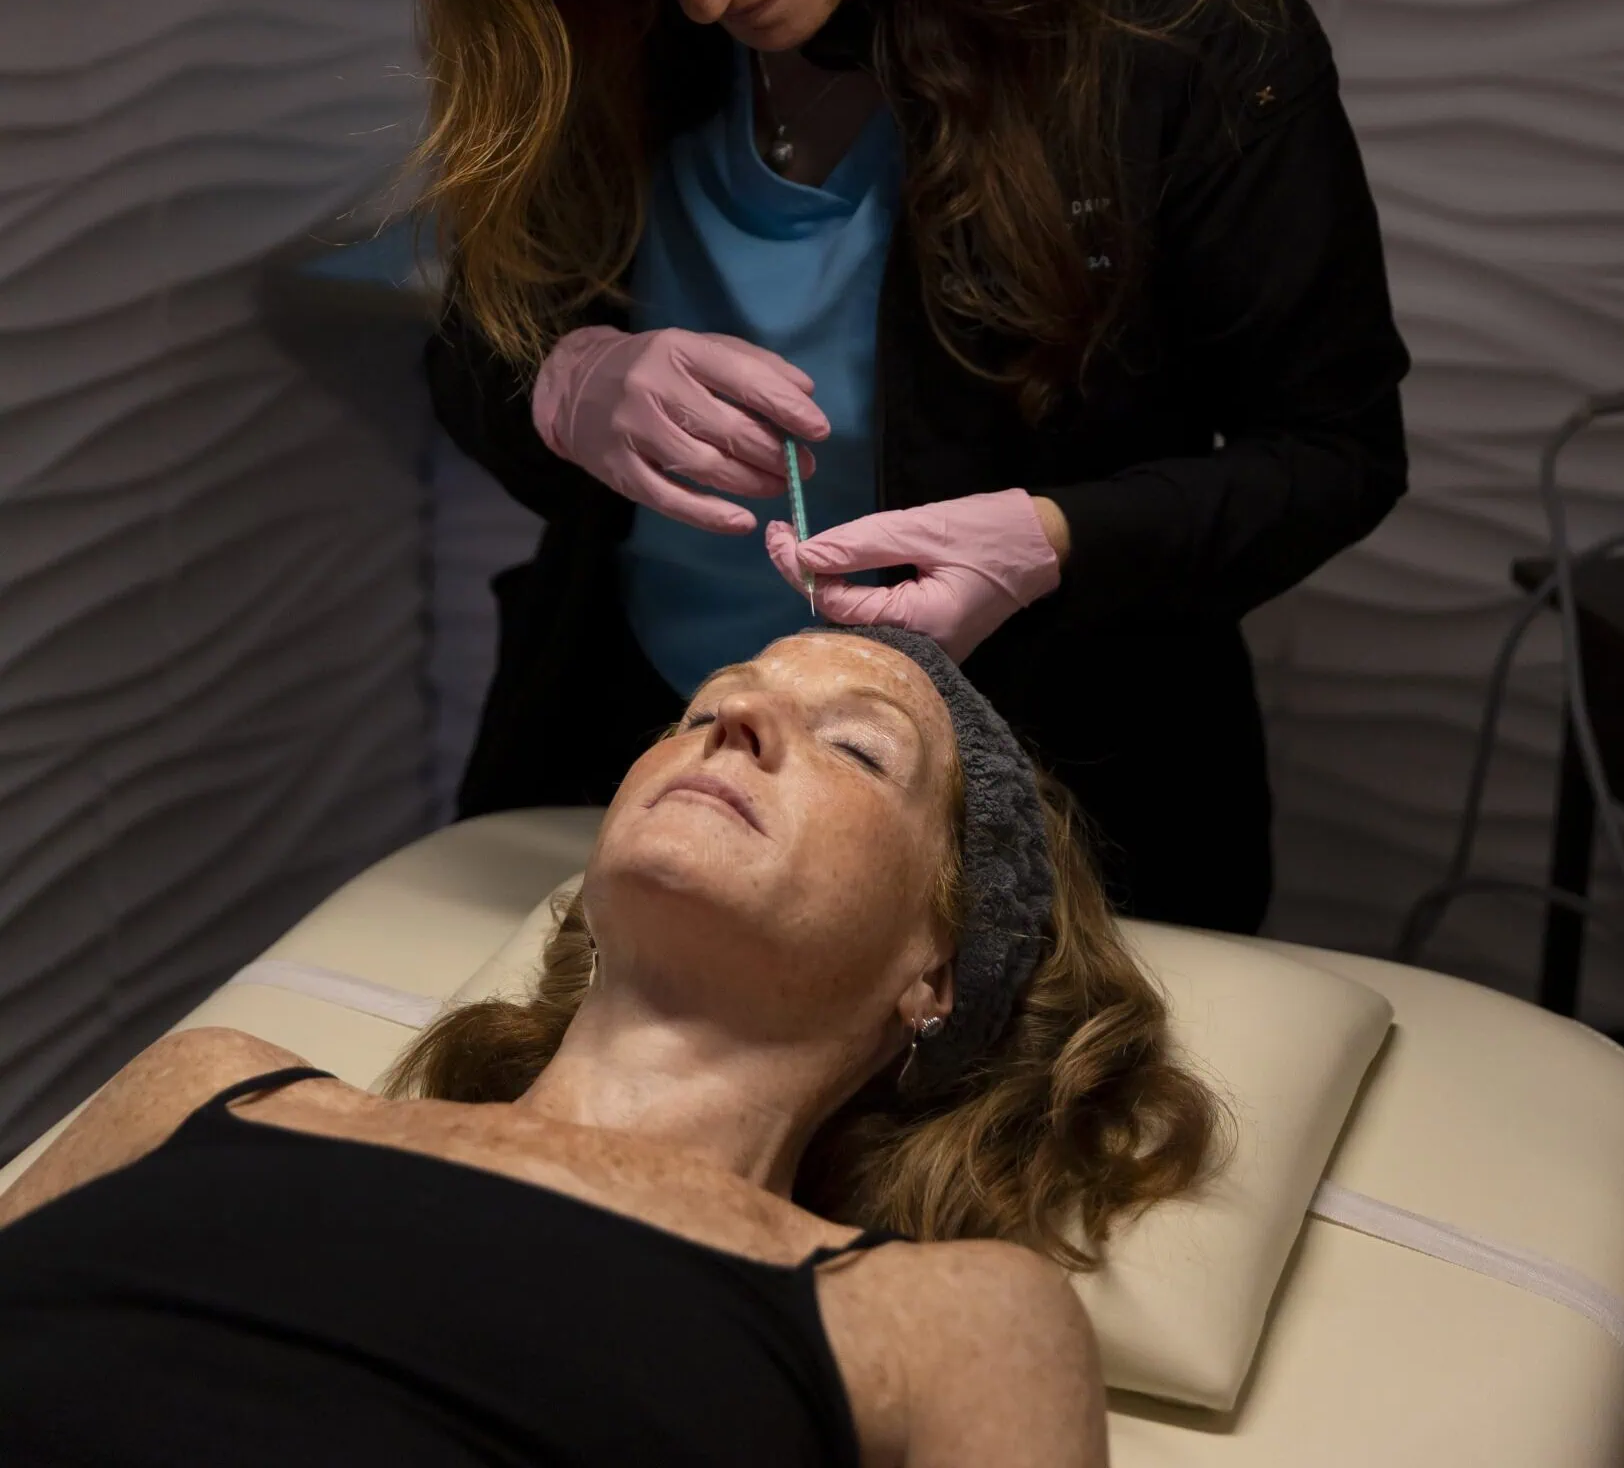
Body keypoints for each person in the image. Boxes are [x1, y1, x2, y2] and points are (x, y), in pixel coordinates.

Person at [419, 0, 1410, 928]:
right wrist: (564, 384)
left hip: (1046, 807)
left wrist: (1054, 545)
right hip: (633, 758)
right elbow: (476, 347)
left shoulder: (1167, 12)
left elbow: (1331, 453)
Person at [0, 627, 1218, 1468]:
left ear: (940, 971)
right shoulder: (210, 1083)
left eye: (857, 745)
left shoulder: (945, 1316)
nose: (733, 714)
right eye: (704, 706)